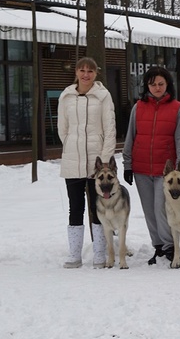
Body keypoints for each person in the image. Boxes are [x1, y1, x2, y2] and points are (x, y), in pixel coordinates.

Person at [122, 67, 180, 265]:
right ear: (147, 86)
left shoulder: (178, 109)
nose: (157, 88)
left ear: (167, 84)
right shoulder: (138, 108)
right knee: (149, 209)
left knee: (161, 208)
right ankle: (158, 246)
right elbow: (130, 137)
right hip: (141, 168)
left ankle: (169, 246)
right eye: (153, 84)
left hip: (166, 172)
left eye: (161, 84)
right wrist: (127, 164)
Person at [58, 57, 117, 269]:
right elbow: (62, 129)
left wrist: (105, 162)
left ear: (95, 73)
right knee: (75, 208)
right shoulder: (66, 96)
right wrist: (71, 146)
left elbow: (109, 128)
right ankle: (75, 255)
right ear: (76, 72)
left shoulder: (103, 96)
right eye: (82, 70)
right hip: (73, 161)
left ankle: (100, 254)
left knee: (97, 207)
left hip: (97, 163)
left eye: (90, 71)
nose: (85, 75)